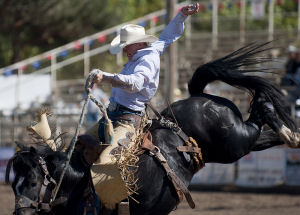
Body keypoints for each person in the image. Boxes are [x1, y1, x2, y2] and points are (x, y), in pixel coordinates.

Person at [88, 3, 200, 209]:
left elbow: (136, 84)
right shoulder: (147, 51)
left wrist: (106, 77)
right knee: (82, 144)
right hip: (112, 117)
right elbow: (167, 36)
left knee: (107, 163)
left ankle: (111, 207)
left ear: (139, 44)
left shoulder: (147, 60)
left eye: (126, 45)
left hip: (128, 121)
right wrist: (181, 16)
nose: (124, 49)